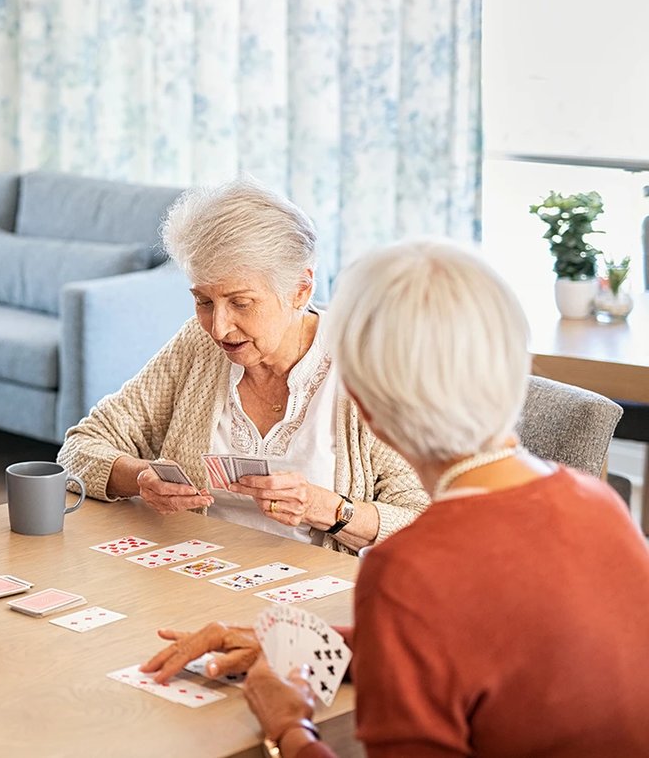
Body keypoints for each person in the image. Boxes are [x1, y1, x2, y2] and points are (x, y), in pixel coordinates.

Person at [139, 240, 649, 756]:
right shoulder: (601, 504)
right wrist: (303, 642)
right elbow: (479, 640)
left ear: (365, 407)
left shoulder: (409, 569)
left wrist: (286, 727)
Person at [57, 179, 428, 553]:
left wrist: (329, 510)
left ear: (301, 289)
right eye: (203, 301)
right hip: (195, 576)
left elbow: (426, 521)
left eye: (241, 303)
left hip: (316, 594)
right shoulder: (199, 345)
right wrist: (139, 478)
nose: (218, 328)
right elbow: (77, 450)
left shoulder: (366, 364)